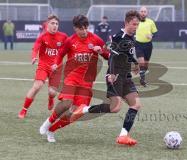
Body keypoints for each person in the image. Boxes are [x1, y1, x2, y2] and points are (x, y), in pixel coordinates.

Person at [69, 10, 141, 146]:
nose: (135, 27)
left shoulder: (132, 36)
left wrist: (135, 63)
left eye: (137, 24)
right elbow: (112, 56)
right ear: (126, 23)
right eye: (133, 24)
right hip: (116, 75)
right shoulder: (120, 37)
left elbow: (127, 53)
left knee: (136, 104)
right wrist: (112, 73)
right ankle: (84, 109)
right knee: (115, 108)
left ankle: (123, 136)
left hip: (126, 75)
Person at [39, 15, 109, 143]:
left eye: (85, 28)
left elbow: (108, 55)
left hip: (87, 81)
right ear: (75, 28)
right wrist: (56, 63)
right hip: (72, 77)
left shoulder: (96, 39)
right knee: (66, 103)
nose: (83, 31)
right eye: (80, 29)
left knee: (76, 113)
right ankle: (49, 122)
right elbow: (60, 54)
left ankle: (52, 130)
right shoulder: (70, 41)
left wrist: (101, 52)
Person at [18, 15, 68, 119]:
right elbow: (35, 47)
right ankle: (24, 110)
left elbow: (71, 46)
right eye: (52, 23)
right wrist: (33, 57)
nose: (55, 26)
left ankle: (50, 98)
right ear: (47, 25)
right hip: (43, 66)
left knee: (52, 92)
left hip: (56, 68)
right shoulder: (43, 36)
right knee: (37, 86)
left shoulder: (63, 36)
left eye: (56, 24)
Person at [135, 6, 158, 87]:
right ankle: (142, 80)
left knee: (146, 64)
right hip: (138, 44)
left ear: (147, 13)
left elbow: (155, 33)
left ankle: (142, 77)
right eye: (141, 11)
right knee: (141, 62)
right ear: (139, 12)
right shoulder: (135, 21)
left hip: (148, 45)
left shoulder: (151, 22)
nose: (143, 13)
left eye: (144, 11)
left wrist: (152, 36)